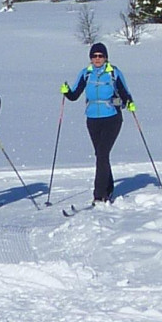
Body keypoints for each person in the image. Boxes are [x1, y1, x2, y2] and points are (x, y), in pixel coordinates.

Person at [64, 43, 134, 204]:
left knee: (102, 154)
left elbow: (124, 92)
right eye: (94, 56)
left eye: (100, 56)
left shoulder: (113, 73)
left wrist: (129, 103)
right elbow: (75, 95)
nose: (97, 59)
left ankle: (99, 194)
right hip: (92, 119)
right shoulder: (86, 74)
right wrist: (66, 92)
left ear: (105, 57)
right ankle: (108, 189)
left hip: (112, 117)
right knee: (101, 155)